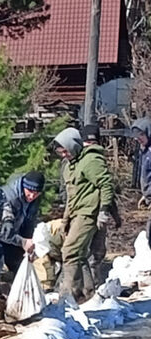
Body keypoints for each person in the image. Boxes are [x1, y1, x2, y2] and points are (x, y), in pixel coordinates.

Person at [51, 126, 114, 302]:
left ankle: (68, 294)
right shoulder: (72, 166)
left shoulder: (91, 160)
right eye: (60, 153)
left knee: (70, 251)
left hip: (88, 213)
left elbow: (106, 185)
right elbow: (72, 196)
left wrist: (104, 210)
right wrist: (65, 220)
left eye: (65, 151)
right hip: (76, 212)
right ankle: (88, 293)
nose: (64, 155)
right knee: (79, 254)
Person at [79, 124, 122, 280]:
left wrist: (113, 213)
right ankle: (87, 288)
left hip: (92, 213)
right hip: (88, 214)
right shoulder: (89, 159)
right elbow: (106, 188)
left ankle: (92, 286)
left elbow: (106, 189)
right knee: (89, 254)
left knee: (95, 253)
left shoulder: (87, 159)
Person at [0, 170, 45, 272]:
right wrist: (22, 242)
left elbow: (30, 221)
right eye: (29, 191)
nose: (32, 196)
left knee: (21, 263)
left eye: (36, 193)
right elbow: (0, 229)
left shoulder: (34, 199)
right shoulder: (9, 197)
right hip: (0, 235)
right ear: (23, 186)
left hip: (17, 234)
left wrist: (29, 243)